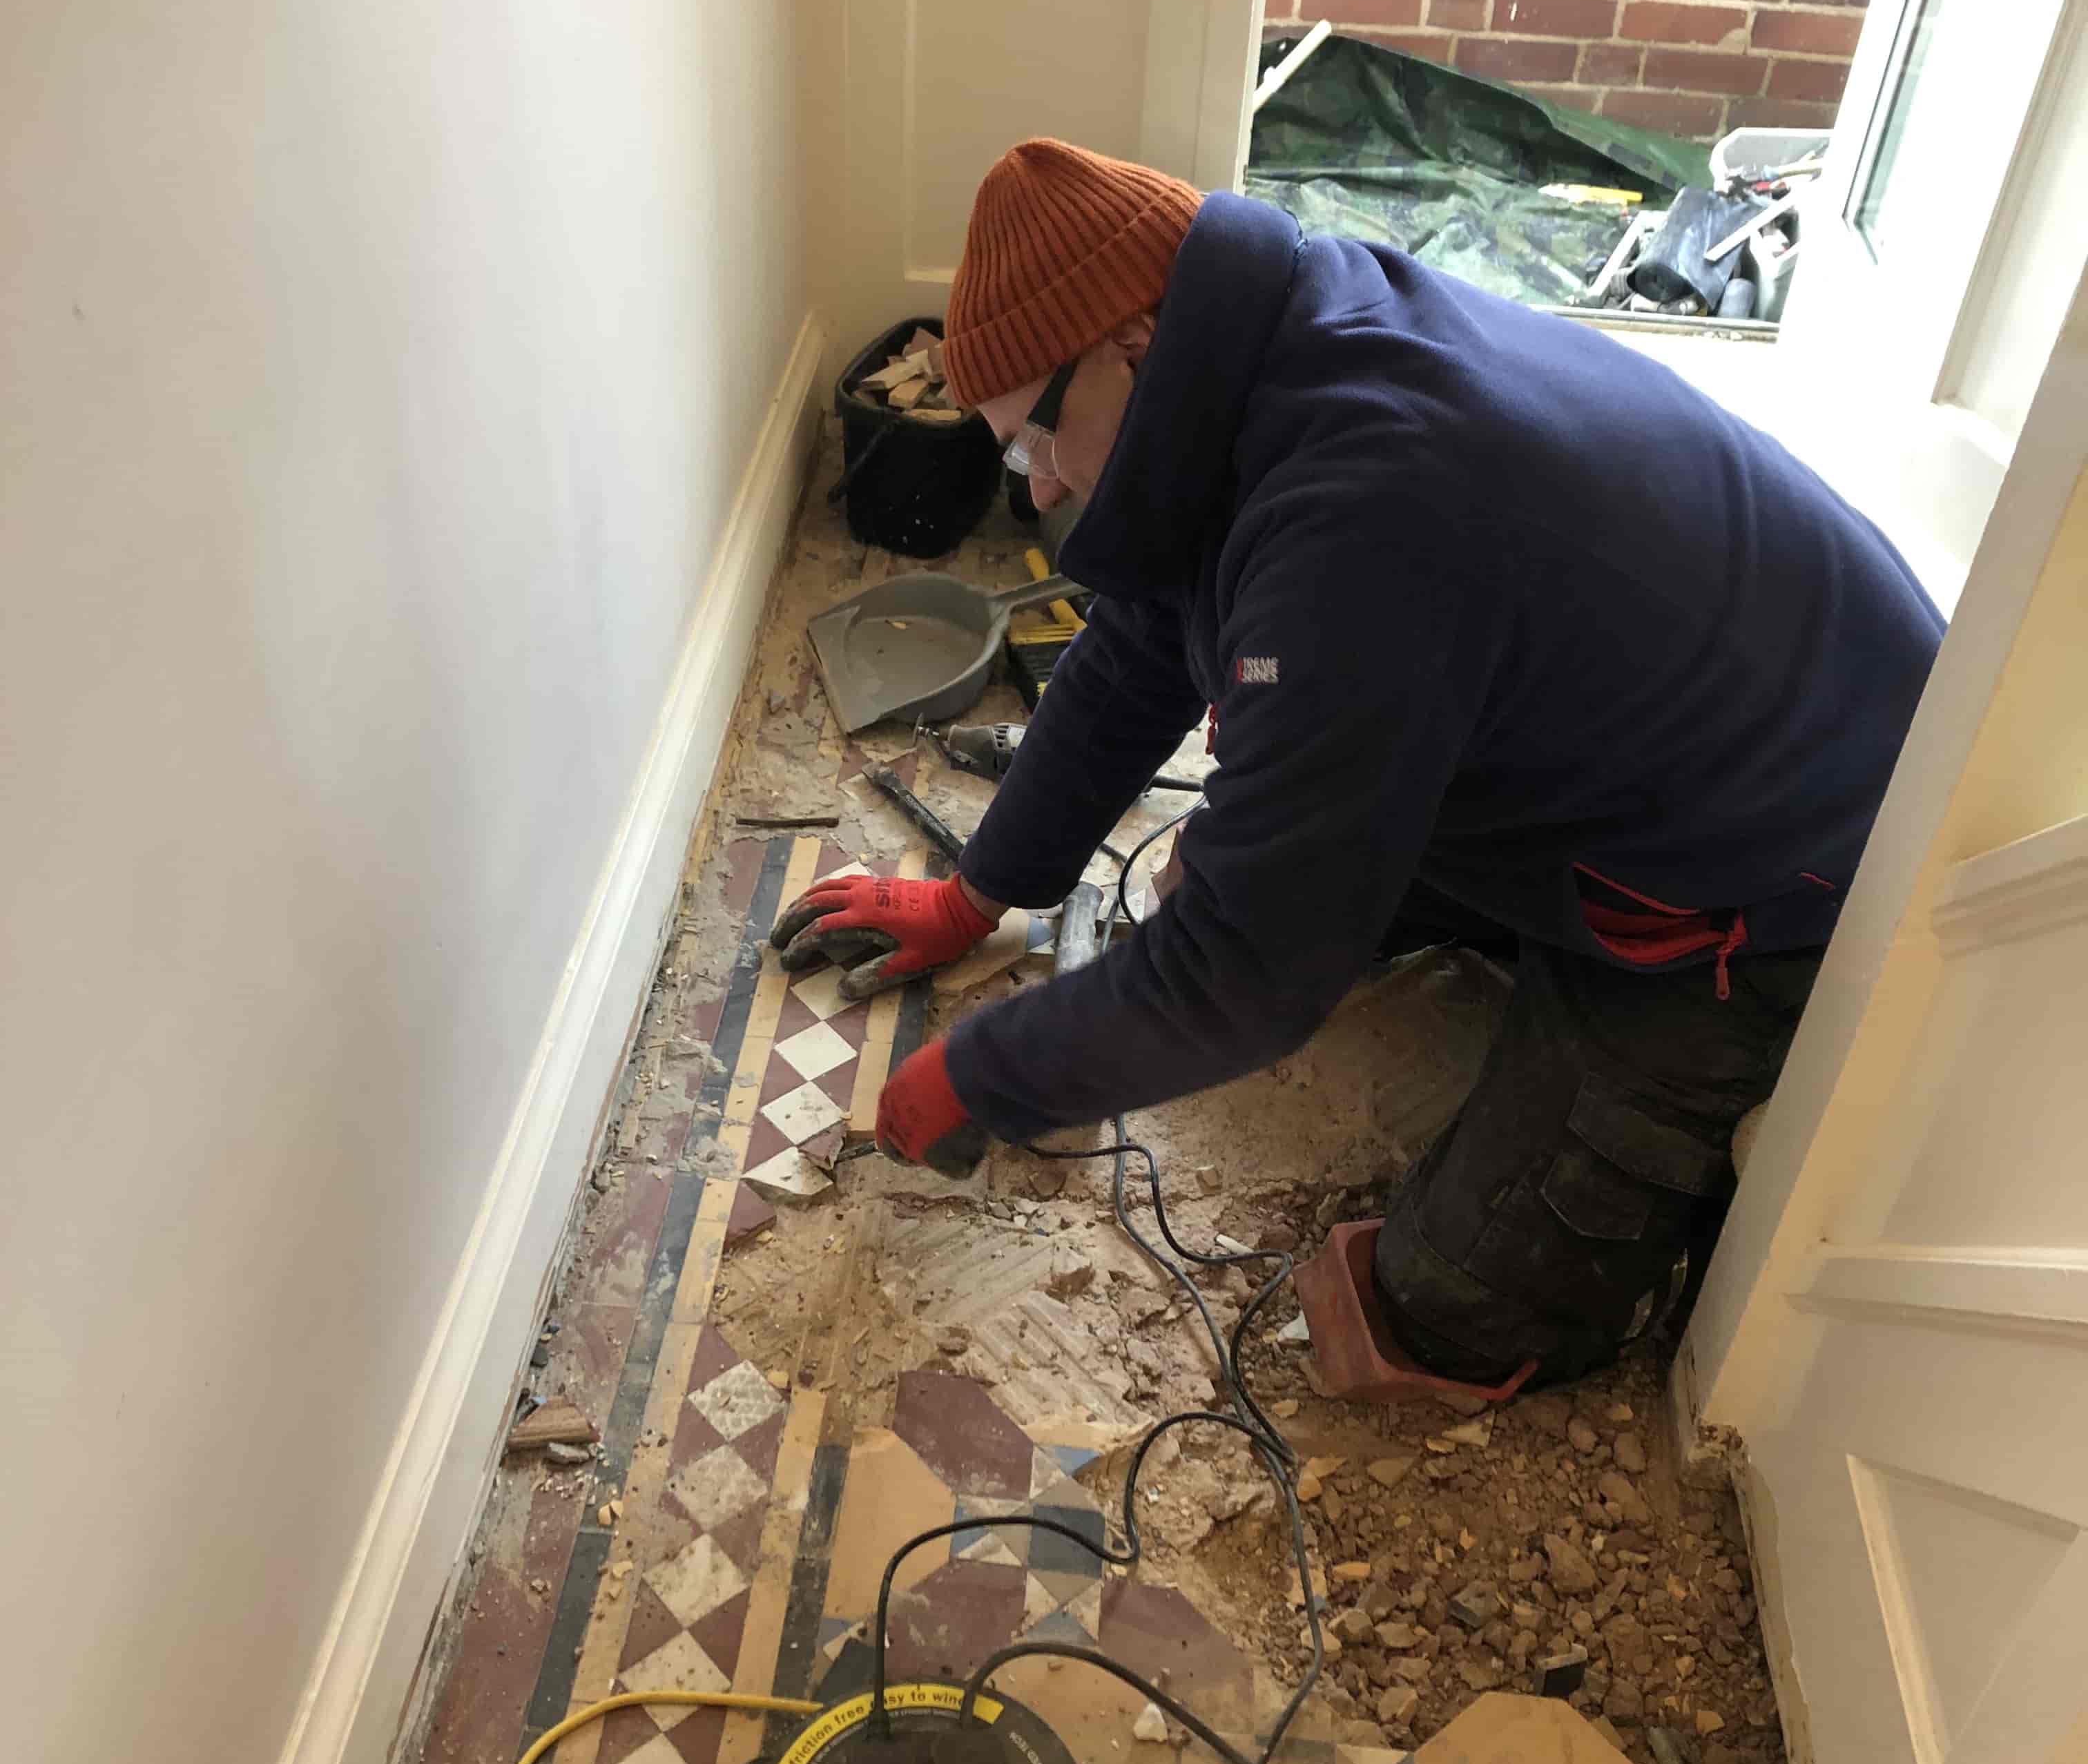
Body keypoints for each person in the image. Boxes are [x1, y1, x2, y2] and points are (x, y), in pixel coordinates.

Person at [771, 139, 1942, 1391]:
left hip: (1785, 873)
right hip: (1638, 726)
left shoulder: (1370, 511)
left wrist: (990, 1074)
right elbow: (1136, 645)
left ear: (1131, 341)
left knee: (1417, 1323)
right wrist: (979, 891)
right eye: (1013, 456)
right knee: (1221, 885)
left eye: (1039, 439)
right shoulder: (1267, 344)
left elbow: (1245, 979)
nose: (1041, 483)